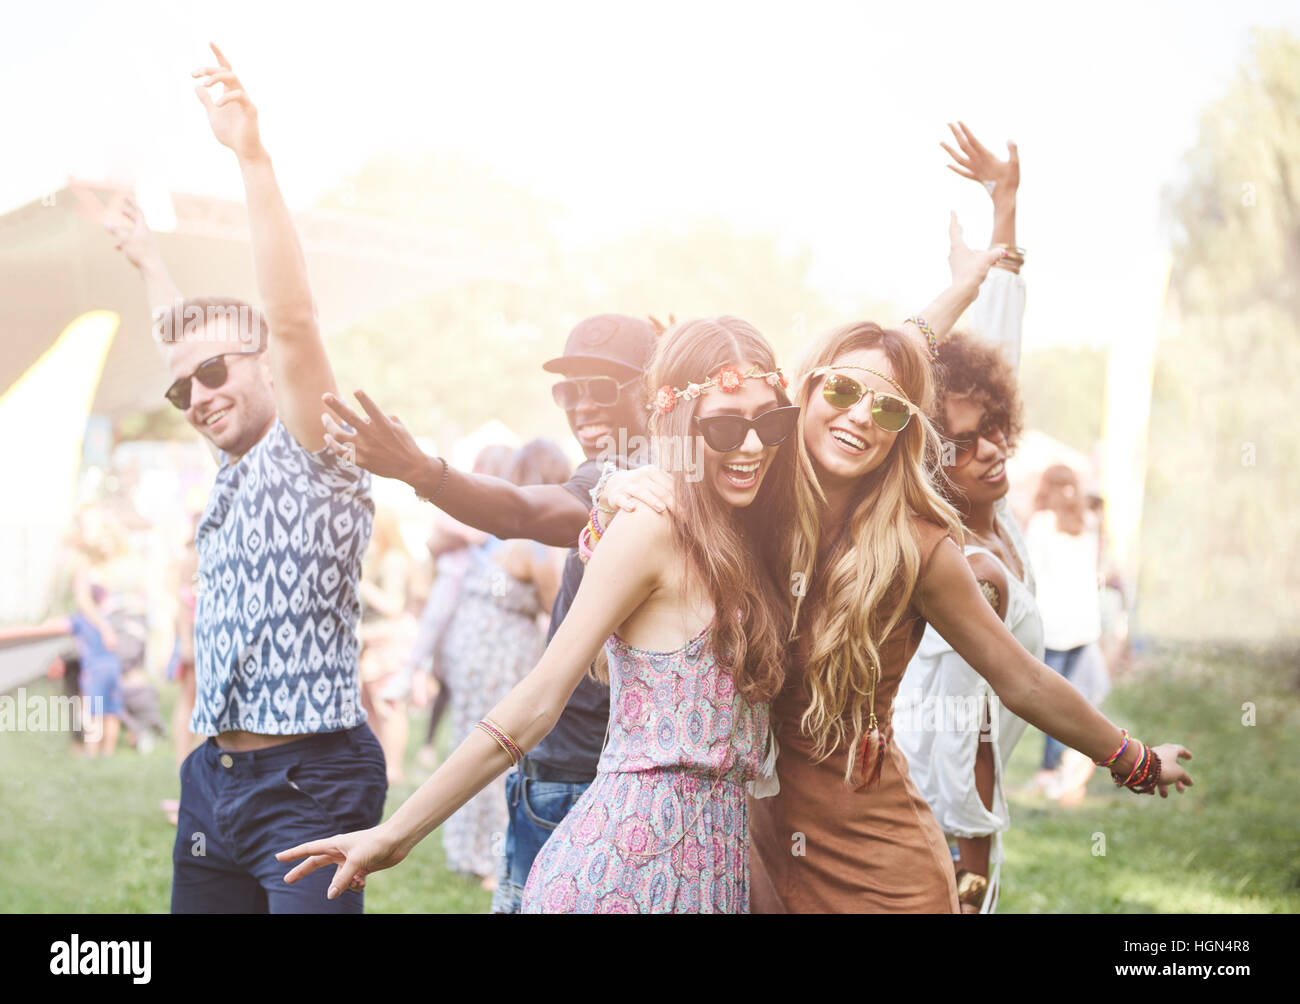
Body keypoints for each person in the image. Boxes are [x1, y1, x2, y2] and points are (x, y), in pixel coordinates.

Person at [278, 317, 799, 913]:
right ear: (678, 423)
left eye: (770, 421)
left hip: (711, 869)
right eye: (727, 426)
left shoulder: (753, 533)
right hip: (624, 872)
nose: (754, 444)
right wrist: (395, 833)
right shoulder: (651, 520)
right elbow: (535, 700)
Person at [110, 44, 386, 913]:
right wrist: (152, 264)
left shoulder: (315, 449)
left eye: (219, 373)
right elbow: (189, 352)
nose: (199, 397)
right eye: (183, 390)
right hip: (214, 779)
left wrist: (250, 157)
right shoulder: (230, 463)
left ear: (264, 362)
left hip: (311, 781)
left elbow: (295, 322)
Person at [316, 311, 657, 913]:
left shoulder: (677, 478)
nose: (580, 407)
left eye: (601, 387)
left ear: (656, 388)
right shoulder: (609, 472)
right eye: (567, 391)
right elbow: (525, 510)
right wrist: (418, 472)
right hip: (568, 765)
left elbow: (526, 515)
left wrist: (422, 471)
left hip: (608, 778)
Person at [895, 123, 1040, 912]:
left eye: (993, 429)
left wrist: (1005, 207)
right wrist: (969, 851)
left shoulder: (1000, 519)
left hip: (972, 815)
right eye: (960, 442)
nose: (988, 450)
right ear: (926, 460)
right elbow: (955, 725)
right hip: (944, 813)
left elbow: (1002, 349)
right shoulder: (951, 556)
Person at [439, 439, 569, 885]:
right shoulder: (541, 540)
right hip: (502, 647)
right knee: (502, 745)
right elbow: (558, 613)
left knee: (469, 740)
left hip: (468, 638)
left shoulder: (504, 523)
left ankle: (467, 849)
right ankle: (496, 854)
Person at [1025, 463, 1105, 794]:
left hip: (1054, 625)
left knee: (1052, 701)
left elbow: (1028, 572)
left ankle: (1052, 769)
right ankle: (1070, 762)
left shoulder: (1042, 523)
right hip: (1084, 624)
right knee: (1078, 697)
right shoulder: (1087, 522)